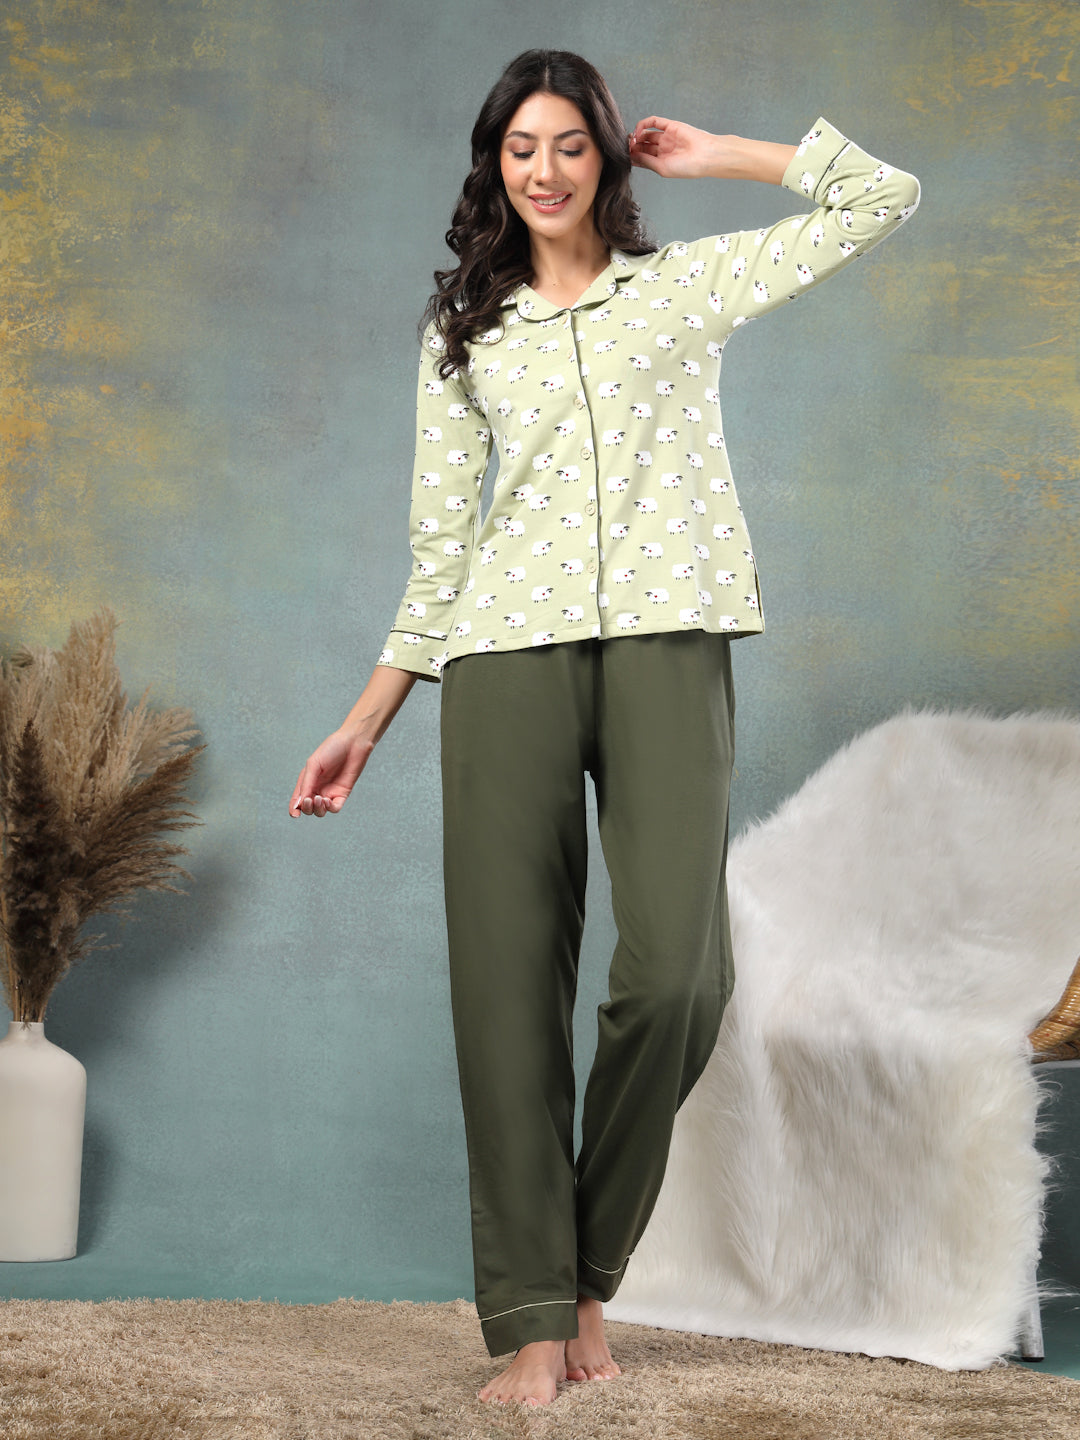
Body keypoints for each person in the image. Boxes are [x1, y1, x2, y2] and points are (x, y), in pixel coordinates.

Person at [290, 49, 920, 1409]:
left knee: (679, 978)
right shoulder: (463, 333)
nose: (546, 170)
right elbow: (439, 550)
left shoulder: (680, 290)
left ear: (607, 157)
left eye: (570, 144)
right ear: (492, 165)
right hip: (502, 659)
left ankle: (583, 1273)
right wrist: (367, 720)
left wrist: (726, 155)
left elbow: (881, 198)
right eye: (521, 147)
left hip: (668, 637)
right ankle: (535, 1320)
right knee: (506, 990)